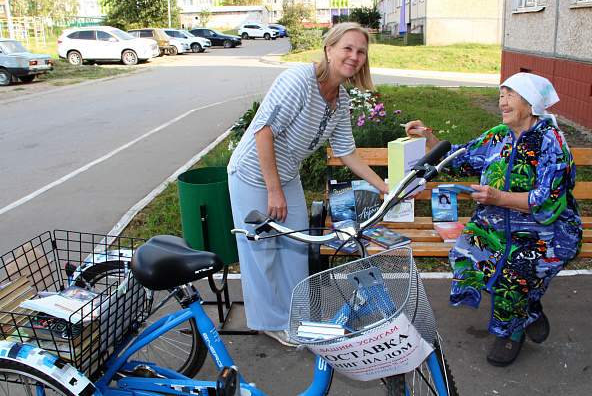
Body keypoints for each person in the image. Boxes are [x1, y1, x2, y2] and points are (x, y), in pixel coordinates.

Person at [227, 23, 389, 346]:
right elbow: (263, 131)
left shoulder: (340, 99)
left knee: (298, 244)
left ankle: (295, 316)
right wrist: (273, 189)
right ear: (329, 49)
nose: (354, 56)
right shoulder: (299, 80)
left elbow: (346, 152)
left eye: (361, 52)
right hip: (252, 173)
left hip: (286, 174)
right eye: (347, 48)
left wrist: (384, 187)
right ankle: (271, 322)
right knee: (260, 250)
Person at [404, 73, 582, 366]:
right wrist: (428, 137)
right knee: (466, 252)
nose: (502, 101)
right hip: (494, 223)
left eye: (510, 94)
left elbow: (548, 203)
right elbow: (460, 161)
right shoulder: (498, 135)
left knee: (515, 270)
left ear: (530, 102)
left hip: (546, 230)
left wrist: (499, 198)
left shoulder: (553, 142)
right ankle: (529, 309)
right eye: (501, 94)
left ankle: (511, 332)